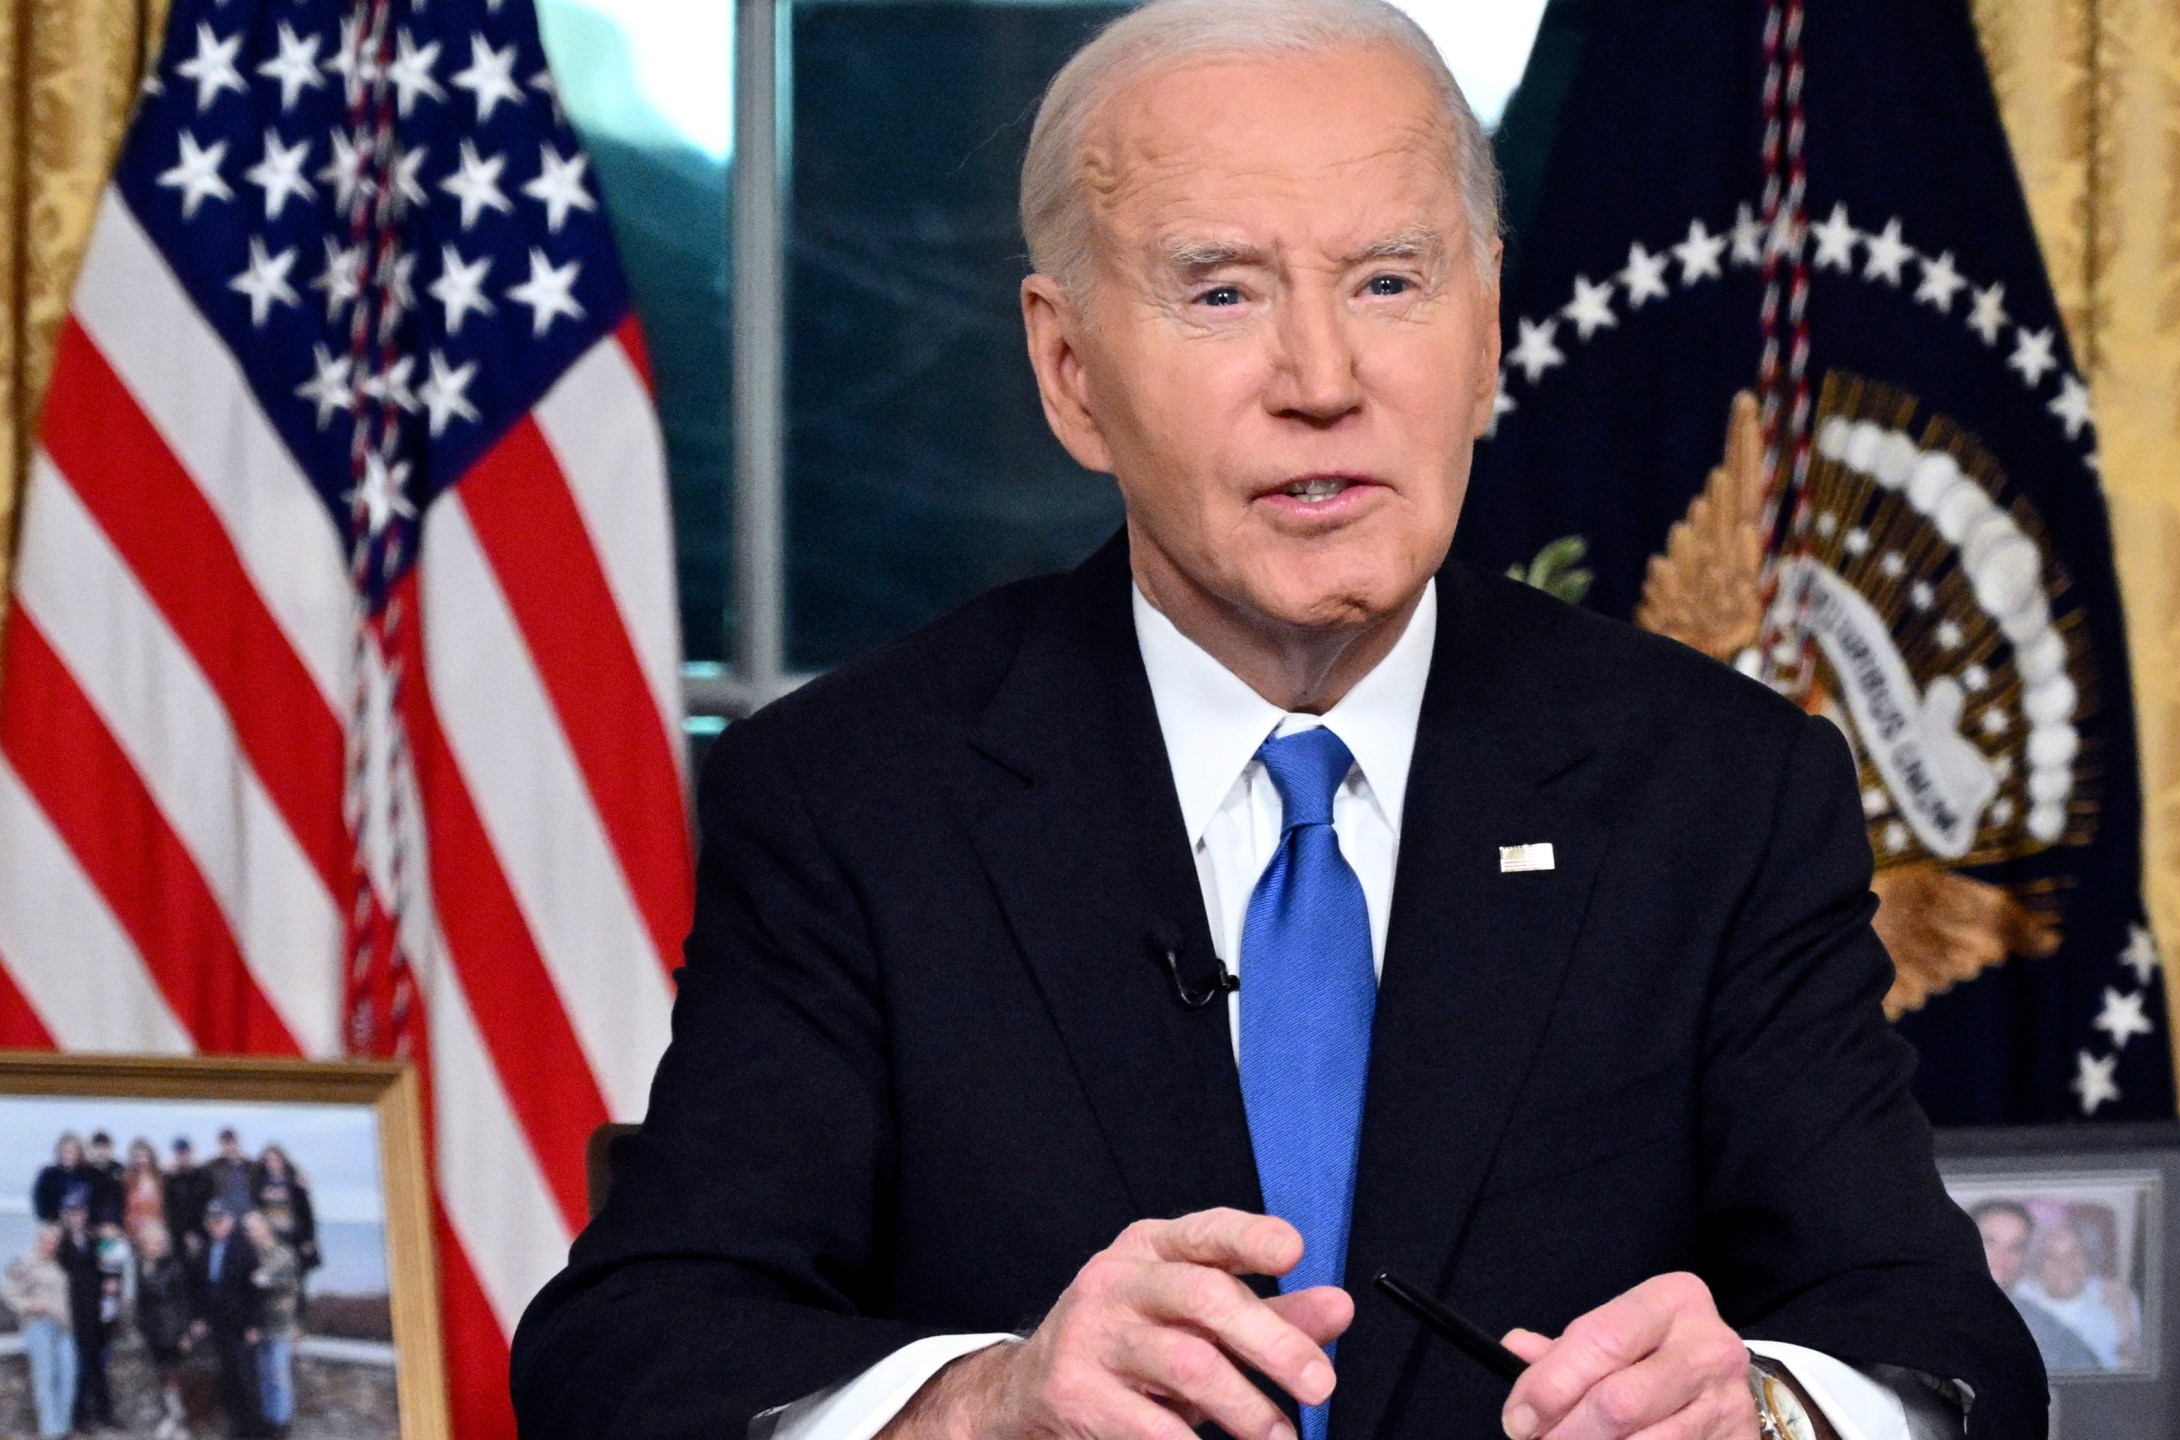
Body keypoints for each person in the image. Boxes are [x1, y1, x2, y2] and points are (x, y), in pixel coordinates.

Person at [508, 4, 2043, 1439]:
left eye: (1390, 281)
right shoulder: (857, 794)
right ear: (1069, 371)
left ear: (1489, 322)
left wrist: (1761, 1405)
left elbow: (1945, 1349)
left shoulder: (1720, 788)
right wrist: (989, 1401)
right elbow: (628, 1346)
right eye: (1223, 291)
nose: (1324, 379)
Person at [1968, 1201, 2100, 1375]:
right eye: (1990, 1242)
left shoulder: (2037, 1322)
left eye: (2016, 1247)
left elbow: (2092, 1377)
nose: (2003, 1257)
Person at [2006, 1219, 2139, 1371]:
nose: (2064, 1263)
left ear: (2089, 1258)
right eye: (2051, 1256)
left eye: (2074, 1253)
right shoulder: (2019, 1299)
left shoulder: (2117, 1299)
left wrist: (2125, 1325)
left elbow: (2132, 1372)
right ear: (2037, 1264)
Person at [187, 1207, 270, 1440]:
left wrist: (255, 1325)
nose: (217, 1225)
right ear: (207, 1224)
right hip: (218, 1325)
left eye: (221, 1220)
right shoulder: (203, 1251)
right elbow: (198, 1290)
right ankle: (238, 1429)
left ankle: (257, 1430)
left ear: (230, 1222)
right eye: (212, 1221)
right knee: (229, 1378)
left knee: (246, 1379)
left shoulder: (246, 1251)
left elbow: (257, 1291)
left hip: (242, 1325)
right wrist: (199, 1319)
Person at [7, 1224, 78, 1439]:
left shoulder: (59, 1264)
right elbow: (10, 1292)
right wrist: (29, 1305)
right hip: (40, 1326)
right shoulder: (26, 1262)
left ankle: (63, 1427)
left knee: (68, 1376)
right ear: (39, 1240)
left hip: (64, 1327)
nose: (49, 1245)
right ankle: (51, 1431)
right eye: (46, 1241)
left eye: (54, 1242)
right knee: (45, 1378)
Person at [57, 1194, 117, 1432]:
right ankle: (80, 1417)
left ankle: (105, 1413)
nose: (76, 1216)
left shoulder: (95, 1240)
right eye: (71, 1212)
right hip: (73, 1313)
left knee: (99, 1366)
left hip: (96, 1312)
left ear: (85, 1214)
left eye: (79, 1212)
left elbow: (110, 1262)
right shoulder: (59, 1243)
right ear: (64, 1215)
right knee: (79, 1367)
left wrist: (110, 1281)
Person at [131, 1222, 196, 1440]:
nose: (153, 1246)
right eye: (149, 1242)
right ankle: (171, 1417)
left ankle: (179, 1420)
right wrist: (141, 1329)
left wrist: (186, 1332)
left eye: (157, 1242)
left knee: (175, 1375)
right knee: (161, 1375)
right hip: (154, 1331)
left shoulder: (174, 1266)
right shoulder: (141, 1266)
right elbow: (141, 1302)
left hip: (173, 1328)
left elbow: (185, 1301)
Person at [242, 1211, 300, 1433]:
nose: (250, 1232)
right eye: (247, 1229)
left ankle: (282, 1424)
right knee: (264, 1376)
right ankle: (268, 1423)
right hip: (259, 1323)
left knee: (278, 1376)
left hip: (280, 1323)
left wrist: (263, 1279)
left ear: (265, 1227)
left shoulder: (282, 1253)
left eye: (254, 1227)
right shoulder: (250, 1253)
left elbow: (283, 1282)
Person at [252, 1146, 320, 1300]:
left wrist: (308, 1240)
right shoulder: (260, 1184)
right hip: (271, 1241)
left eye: (275, 1160)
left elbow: (306, 1214)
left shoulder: (295, 1184)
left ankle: (298, 1316)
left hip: (293, 1238)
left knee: (296, 1281)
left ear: (283, 1161)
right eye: (268, 1160)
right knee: (272, 1279)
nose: (272, 1164)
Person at [163, 1139, 212, 1249]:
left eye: (186, 1152)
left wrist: (197, 1231)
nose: (183, 1156)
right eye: (180, 1153)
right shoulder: (171, 1179)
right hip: (178, 1233)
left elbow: (206, 1205)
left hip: (201, 1231)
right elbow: (170, 1208)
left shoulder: (203, 1176)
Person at [33, 1134, 84, 1223]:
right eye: (64, 1151)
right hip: (53, 1222)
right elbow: (39, 1199)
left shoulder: (85, 1175)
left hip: (79, 1224)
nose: (67, 1155)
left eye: (71, 1152)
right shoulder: (48, 1174)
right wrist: (50, 1218)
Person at [81, 1133, 126, 1233]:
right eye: (97, 1148)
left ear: (111, 1149)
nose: (101, 1152)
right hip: (90, 1227)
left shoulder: (119, 1171)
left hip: (115, 1227)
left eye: (105, 1148)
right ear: (91, 1150)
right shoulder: (84, 1172)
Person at [125, 1140, 169, 1244]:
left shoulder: (161, 1180)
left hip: (157, 1233)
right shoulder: (128, 1181)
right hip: (134, 1233)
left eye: (144, 1156)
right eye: (138, 1157)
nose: (141, 1160)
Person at [204, 1132, 254, 1221]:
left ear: (238, 1143)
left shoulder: (250, 1166)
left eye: (231, 1142)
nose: (229, 1147)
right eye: (225, 1144)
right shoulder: (213, 1166)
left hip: (248, 1217)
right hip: (226, 1220)